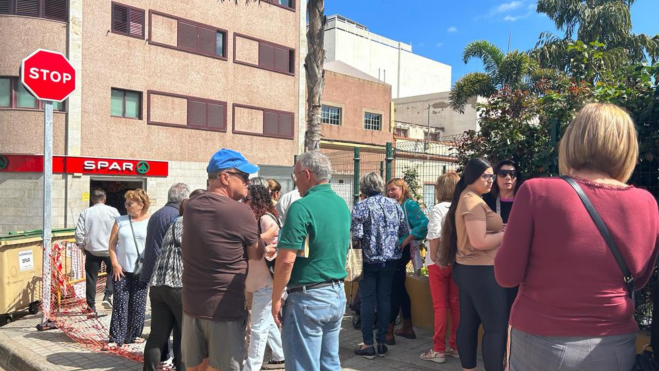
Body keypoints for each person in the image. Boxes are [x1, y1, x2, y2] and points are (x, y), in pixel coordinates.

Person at [495, 103, 659, 371]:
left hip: (540, 341)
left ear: (573, 139)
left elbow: (506, 275)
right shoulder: (647, 203)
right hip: (615, 344)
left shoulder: (537, 191)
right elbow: (638, 280)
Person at [181, 149, 272, 371]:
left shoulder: (191, 206)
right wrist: (265, 240)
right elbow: (256, 254)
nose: (248, 182)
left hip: (192, 304)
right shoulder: (240, 212)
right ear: (225, 177)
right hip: (225, 306)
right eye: (243, 177)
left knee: (195, 367)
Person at [271, 150, 350, 371]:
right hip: (336, 293)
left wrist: (276, 298)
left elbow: (286, 260)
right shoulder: (341, 204)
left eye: (295, 175)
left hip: (308, 297)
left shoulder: (301, 206)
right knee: (329, 363)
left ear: (307, 174)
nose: (295, 181)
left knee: (303, 365)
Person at [438, 158, 506, 371]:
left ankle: (468, 368)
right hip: (481, 271)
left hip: (468, 270)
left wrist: (499, 229)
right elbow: (479, 242)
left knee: (469, 322)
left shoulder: (470, 198)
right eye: (486, 176)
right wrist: (507, 234)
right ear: (472, 176)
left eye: (492, 176)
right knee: (496, 328)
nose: (490, 180)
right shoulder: (473, 202)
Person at [143, 189, 205, 371]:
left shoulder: (176, 221)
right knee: (186, 335)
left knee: (157, 336)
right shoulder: (189, 223)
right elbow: (190, 251)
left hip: (158, 284)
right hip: (177, 284)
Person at [351, 172, 407, 359]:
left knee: (368, 300)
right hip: (390, 259)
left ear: (364, 188)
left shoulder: (362, 206)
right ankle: (381, 342)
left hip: (367, 260)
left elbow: (356, 235)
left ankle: (368, 344)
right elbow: (404, 231)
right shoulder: (394, 205)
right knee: (384, 298)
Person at [420, 172, 461, 364]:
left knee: (440, 306)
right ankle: (455, 346)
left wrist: (436, 259)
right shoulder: (461, 206)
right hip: (458, 262)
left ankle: (438, 350)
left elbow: (434, 236)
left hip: (439, 263)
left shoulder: (438, 208)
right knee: (456, 305)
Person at [244, 185, 285, 371]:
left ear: (257, 200)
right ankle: (279, 354)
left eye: (248, 199)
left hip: (266, 281)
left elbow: (276, 247)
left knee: (258, 327)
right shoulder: (261, 218)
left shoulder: (265, 219)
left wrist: (264, 247)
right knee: (265, 321)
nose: (245, 202)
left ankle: (251, 367)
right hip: (262, 280)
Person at [105, 189, 152, 350]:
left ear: (141, 205)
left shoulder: (150, 221)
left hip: (141, 270)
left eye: (130, 203)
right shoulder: (120, 220)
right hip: (122, 270)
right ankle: (116, 337)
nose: (126, 206)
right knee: (120, 304)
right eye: (126, 203)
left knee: (138, 305)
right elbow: (111, 244)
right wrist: (115, 264)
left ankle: (134, 335)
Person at [385, 178, 428, 344]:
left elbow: (424, 223)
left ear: (403, 189)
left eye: (394, 189)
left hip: (401, 252)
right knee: (400, 287)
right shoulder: (392, 205)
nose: (390, 193)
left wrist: (407, 239)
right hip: (394, 251)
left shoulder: (408, 205)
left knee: (394, 289)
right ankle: (407, 327)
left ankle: (389, 332)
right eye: (388, 190)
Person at [75, 189, 120, 315]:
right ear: (104, 199)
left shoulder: (86, 212)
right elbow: (120, 228)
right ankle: (108, 297)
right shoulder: (113, 211)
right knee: (113, 273)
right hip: (109, 250)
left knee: (91, 278)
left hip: (92, 250)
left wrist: (81, 245)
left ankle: (91, 307)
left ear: (92, 200)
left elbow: (78, 233)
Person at [483, 159, 522, 224]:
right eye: (503, 174)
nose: (508, 177)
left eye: (512, 174)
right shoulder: (486, 199)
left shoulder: (524, 201)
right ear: (495, 177)